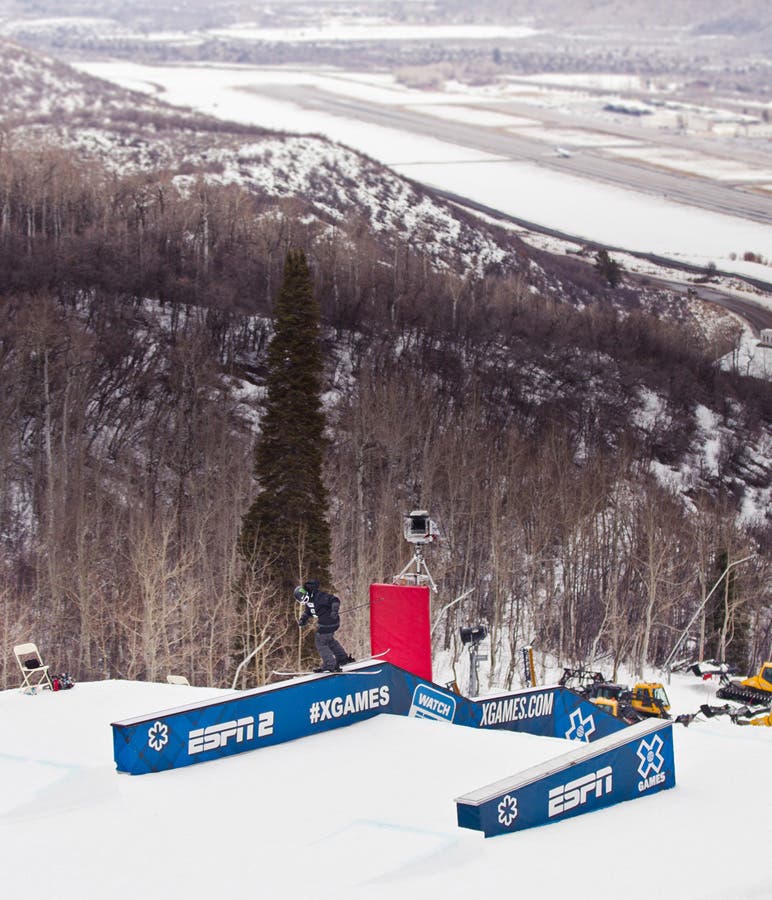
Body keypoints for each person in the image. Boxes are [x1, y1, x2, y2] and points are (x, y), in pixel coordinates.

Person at [294, 580, 354, 673]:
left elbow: (334, 600)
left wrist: (334, 610)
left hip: (329, 621)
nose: (304, 602)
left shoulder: (319, 596)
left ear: (306, 594)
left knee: (320, 641)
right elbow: (308, 611)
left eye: (304, 599)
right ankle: (342, 658)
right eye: (302, 601)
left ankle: (330, 664)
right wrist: (303, 619)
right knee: (329, 640)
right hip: (328, 623)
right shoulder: (309, 601)